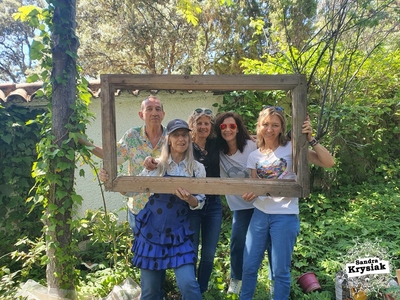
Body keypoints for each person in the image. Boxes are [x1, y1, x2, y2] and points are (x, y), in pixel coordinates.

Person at [240, 106, 335, 300]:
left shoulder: (291, 148)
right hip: (259, 215)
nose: (269, 129)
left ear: (282, 127)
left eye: (275, 125)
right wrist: (251, 194)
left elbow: (328, 162)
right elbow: (255, 186)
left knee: (280, 271)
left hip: (285, 215)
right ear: (259, 126)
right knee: (249, 266)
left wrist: (310, 139)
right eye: (265, 124)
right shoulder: (253, 156)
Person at [132, 118, 206, 300]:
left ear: (189, 139)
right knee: (149, 290)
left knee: (188, 283)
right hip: (152, 230)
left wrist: (190, 198)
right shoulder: (156, 165)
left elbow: (201, 201)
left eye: (184, 136)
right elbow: (132, 189)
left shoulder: (197, 168)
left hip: (179, 231)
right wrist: (109, 178)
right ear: (169, 139)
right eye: (176, 135)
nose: (181, 139)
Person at [79, 95, 166, 233]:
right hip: (139, 207)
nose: (154, 113)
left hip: (166, 208)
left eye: (158, 109)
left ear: (163, 114)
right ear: (141, 114)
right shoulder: (132, 136)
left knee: (165, 251)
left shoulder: (171, 137)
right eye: (149, 109)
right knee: (140, 251)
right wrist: (82, 141)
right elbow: (111, 156)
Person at [214, 112, 257, 295]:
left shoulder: (251, 146)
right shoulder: (217, 150)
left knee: (268, 244)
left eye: (232, 126)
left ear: (238, 128)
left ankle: (273, 281)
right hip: (240, 207)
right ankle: (236, 279)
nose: (228, 130)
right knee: (237, 243)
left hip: (260, 203)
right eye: (223, 126)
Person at [187, 108, 222, 293]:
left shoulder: (216, 143)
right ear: (192, 125)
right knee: (191, 251)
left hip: (214, 204)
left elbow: (238, 139)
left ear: (211, 126)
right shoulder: (186, 146)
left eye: (206, 123)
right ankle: (191, 290)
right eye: (199, 123)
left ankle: (201, 290)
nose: (202, 127)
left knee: (208, 253)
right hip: (192, 204)